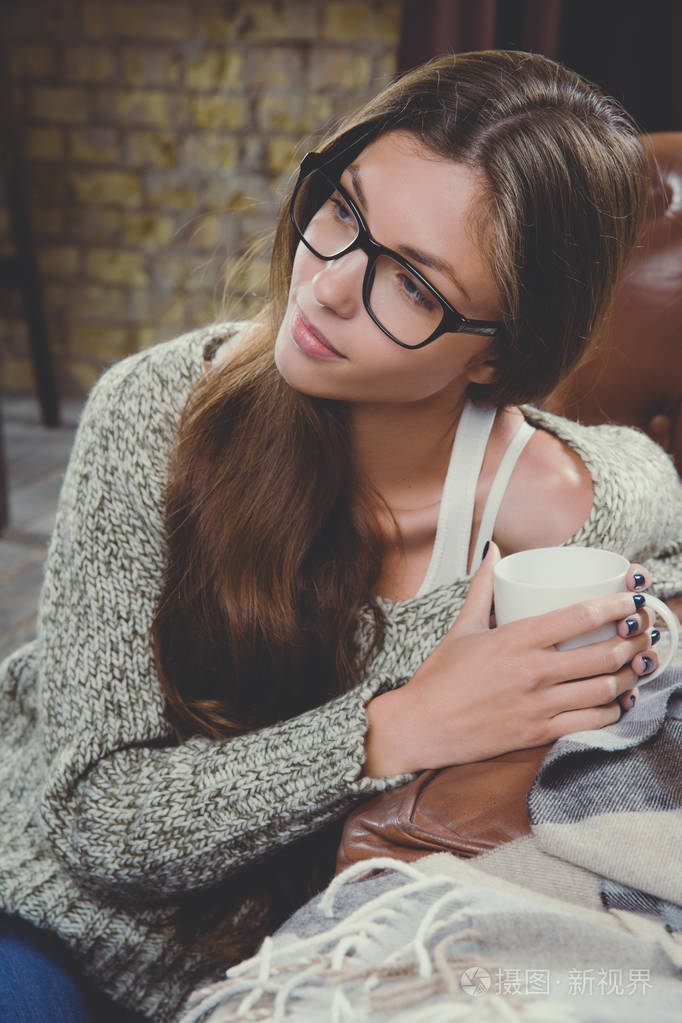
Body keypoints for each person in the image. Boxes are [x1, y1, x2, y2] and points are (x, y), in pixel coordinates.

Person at [0, 49, 680, 1023]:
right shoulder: (158, 411)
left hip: (303, 968)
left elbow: (659, 549)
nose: (324, 286)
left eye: (410, 284)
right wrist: (398, 728)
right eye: (343, 210)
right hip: (52, 924)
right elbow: (95, 824)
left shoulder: (580, 498)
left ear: (506, 352)